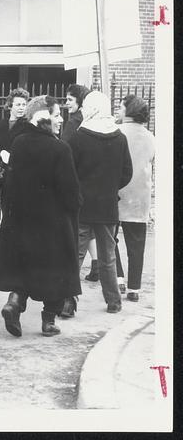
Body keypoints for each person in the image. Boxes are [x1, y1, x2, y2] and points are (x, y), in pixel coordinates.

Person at [0, 95, 82, 337]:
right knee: (53, 271)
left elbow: (10, 182)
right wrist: (75, 207)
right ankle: (48, 321)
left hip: (22, 219)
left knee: (24, 269)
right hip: (53, 224)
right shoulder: (61, 148)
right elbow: (71, 192)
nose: (60, 118)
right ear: (44, 119)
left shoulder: (19, 143)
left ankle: (14, 302)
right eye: (55, 114)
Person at [68, 90, 133, 313]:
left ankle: (69, 302)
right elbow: (127, 173)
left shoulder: (78, 136)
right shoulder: (120, 138)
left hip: (83, 205)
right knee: (108, 257)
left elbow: (71, 171)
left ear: (92, 108)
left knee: (75, 256)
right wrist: (110, 188)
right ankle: (113, 302)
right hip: (107, 206)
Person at [114, 95, 155, 303]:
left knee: (110, 238)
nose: (118, 111)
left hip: (118, 192)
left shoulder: (117, 132)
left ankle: (119, 277)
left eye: (120, 107)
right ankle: (134, 288)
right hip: (140, 196)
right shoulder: (150, 137)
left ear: (128, 111)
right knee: (137, 244)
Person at [63, 84, 98, 283]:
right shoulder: (90, 120)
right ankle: (96, 265)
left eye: (69, 100)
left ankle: (70, 278)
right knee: (90, 227)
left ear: (79, 101)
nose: (66, 104)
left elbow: (65, 150)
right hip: (91, 180)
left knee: (78, 229)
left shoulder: (73, 123)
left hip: (75, 179)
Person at [0, 87, 30, 166]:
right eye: (18, 105)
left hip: (22, 169)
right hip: (4, 171)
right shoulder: (1, 125)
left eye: (24, 105)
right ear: (10, 106)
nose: (21, 108)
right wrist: (2, 153)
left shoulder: (28, 125)